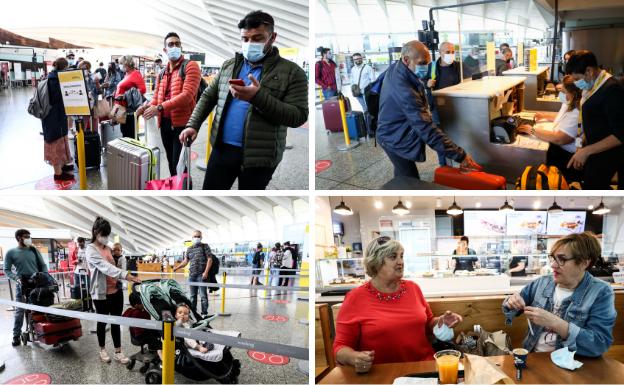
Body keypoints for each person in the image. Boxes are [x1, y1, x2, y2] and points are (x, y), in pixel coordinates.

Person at [180, 11, 308, 190]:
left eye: (258, 38)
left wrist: (258, 97)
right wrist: (192, 124)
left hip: (260, 157)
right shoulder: (229, 66)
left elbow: (298, 116)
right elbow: (208, 96)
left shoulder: (292, 72)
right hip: (222, 149)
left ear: (272, 37)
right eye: (245, 39)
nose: (250, 44)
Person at [334, 237, 463, 368]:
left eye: (401, 256)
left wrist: (440, 322)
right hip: (381, 374)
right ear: (375, 261)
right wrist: (354, 358)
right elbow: (340, 348)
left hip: (423, 367)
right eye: (393, 257)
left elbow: (427, 324)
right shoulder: (355, 297)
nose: (400, 262)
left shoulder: (413, 288)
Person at [376, 40, 481, 180]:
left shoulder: (400, 68)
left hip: (395, 132)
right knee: (410, 178)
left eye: (427, 62)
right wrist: (461, 156)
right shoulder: (404, 89)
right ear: (406, 60)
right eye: (421, 63)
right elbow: (426, 129)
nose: (425, 67)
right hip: (392, 138)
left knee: (402, 174)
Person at [502, 232, 616, 356]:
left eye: (562, 259)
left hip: (573, 364)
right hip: (533, 357)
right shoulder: (542, 282)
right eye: (553, 258)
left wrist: (555, 323)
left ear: (584, 263)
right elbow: (510, 307)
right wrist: (511, 302)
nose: (553, 265)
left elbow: (599, 343)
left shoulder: (601, 292)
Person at [137, 32, 201, 177]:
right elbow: (156, 98)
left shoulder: (190, 67)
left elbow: (187, 96)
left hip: (182, 125)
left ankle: (185, 192)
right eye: (171, 44)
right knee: (171, 164)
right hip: (165, 124)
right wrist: (147, 106)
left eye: (177, 44)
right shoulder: (162, 73)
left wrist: (159, 108)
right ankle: (176, 191)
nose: (174, 47)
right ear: (165, 50)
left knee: (180, 166)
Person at [565, 50, 624, 189]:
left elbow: (620, 134)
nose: (575, 83)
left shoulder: (611, 90)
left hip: (607, 153)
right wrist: (582, 143)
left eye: (576, 79)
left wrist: (587, 151)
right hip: (594, 149)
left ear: (589, 71)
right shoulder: (593, 85)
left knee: (594, 189)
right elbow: (596, 121)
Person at [85, 216, 141, 363]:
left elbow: (114, 266)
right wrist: (126, 275)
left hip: (115, 291)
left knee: (116, 321)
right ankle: (102, 350)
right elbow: (106, 267)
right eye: (103, 234)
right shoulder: (90, 250)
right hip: (101, 293)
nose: (105, 237)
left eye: (107, 235)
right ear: (95, 232)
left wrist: (121, 277)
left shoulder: (108, 248)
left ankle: (118, 351)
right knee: (102, 322)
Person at [517, 75, 584, 183]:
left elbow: (560, 138)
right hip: (562, 151)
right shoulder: (569, 104)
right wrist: (545, 116)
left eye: (564, 91)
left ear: (573, 94)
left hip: (566, 157)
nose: (562, 94)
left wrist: (532, 130)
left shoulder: (577, 111)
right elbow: (562, 118)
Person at [4, 229, 48, 347]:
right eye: (26, 236)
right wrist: (16, 278)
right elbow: (6, 269)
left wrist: (44, 276)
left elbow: (43, 265)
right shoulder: (11, 252)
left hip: (36, 282)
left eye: (29, 236)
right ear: (19, 238)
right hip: (22, 284)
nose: (29, 238)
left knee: (39, 308)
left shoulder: (34, 250)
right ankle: (16, 335)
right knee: (20, 310)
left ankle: (41, 331)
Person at [424, 41, 461, 165]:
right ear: (440, 53)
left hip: (456, 108)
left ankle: (459, 163)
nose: (451, 54)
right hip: (437, 110)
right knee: (440, 139)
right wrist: (427, 84)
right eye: (447, 52)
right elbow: (423, 82)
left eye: (453, 52)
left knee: (457, 137)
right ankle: (443, 165)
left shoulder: (459, 66)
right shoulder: (432, 67)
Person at [42, 57, 74, 182]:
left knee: (59, 142)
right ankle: (58, 174)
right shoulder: (57, 81)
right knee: (56, 144)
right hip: (55, 118)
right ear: (64, 68)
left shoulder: (49, 77)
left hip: (51, 118)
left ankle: (62, 166)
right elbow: (58, 100)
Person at [174, 230, 212, 317]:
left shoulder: (205, 246)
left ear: (201, 237)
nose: (197, 238)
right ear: (192, 238)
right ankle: (193, 312)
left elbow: (210, 259)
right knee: (192, 296)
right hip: (192, 276)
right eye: (195, 236)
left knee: (203, 296)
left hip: (201, 275)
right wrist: (178, 267)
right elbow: (186, 261)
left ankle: (204, 313)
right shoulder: (189, 249)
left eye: (198, 236)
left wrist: (206, 272)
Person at [114, 55, 146, 139]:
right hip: (122, 108)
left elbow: (142, 90)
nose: (119, 65)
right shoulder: (127, 74)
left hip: (130, 110)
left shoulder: (135, 74)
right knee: (125, 132)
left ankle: (135, 151)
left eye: (121, 63)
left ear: (126, 63)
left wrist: (124, 96)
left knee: (131, 134)